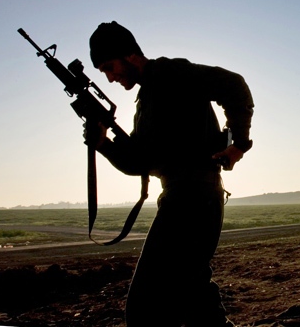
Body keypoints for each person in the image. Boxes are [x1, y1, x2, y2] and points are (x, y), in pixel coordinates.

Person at [84, 21, 254, 327]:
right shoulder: (147, 97)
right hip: (185, 198)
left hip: (192, 199)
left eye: (110, 67)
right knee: (196, 298)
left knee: (145, 308)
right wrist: (103, 144)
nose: (110, 78)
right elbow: (140, 162)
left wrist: (239, 144)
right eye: (103, 72)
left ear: (130, 55)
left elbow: (234, 85)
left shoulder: (172, 73)